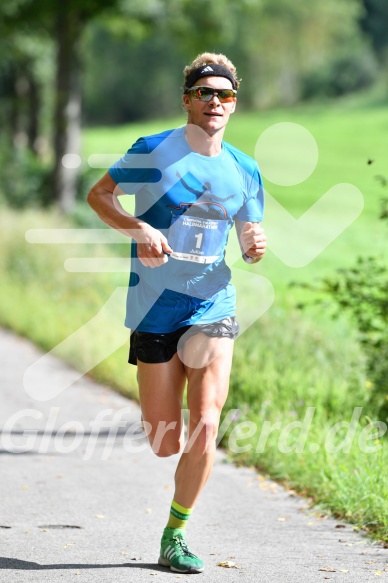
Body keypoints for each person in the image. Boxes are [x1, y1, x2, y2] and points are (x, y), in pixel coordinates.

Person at [87, 52, 267, 574]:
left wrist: (255, 243)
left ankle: (175, 533)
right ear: (187, 99)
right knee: (166, 441)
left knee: (207, 424)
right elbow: (99, 196)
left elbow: (250, 235)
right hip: (154, 306)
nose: (215, 101)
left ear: (234, 105)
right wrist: (138, 228)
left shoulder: (244, 168)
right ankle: (174, 491)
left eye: (225, 94)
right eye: (205, 93)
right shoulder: (153, 151)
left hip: (213, 301)